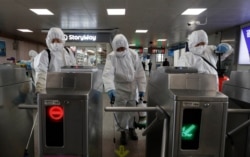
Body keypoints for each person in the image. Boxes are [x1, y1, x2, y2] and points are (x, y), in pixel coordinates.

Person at [102, 34, 147, 145]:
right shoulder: (111, 57)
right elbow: (108, 74)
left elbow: (140, 73)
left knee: (132, 110)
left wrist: (141, 88)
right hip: (119, 88)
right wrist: (110, 89)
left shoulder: (133, 54)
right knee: (120, 112)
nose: (121, 51)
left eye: (123, 48)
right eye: (119, 49)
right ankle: (123, 132)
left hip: (132, 87)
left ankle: (132, 129)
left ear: (126, 46)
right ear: (114, 48)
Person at [34, 27, 76, 94]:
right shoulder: (45, 54)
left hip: (68, 88)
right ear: (48, 41)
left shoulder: (68, 52)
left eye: (58, 40)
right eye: (53, 41)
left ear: (62, 40)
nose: (55, 43)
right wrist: (41, 92)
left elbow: (74, 69)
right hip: (50, 90)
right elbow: (41, 74)